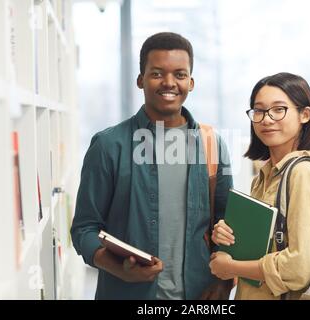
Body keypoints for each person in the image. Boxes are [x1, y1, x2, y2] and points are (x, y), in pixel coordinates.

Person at [71, 32, 234, 300]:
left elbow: (226, 224)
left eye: (180, 75)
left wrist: (224, 283)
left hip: (199, 294)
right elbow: (84, 228)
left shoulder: (211, 145)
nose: (169, 83)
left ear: (191, 82)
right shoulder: (109, 145)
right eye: (157, 73)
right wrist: (117, 268)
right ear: (140, 79)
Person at [209, 72, 310, 299]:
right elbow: (264, 246)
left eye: (279, 109)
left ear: (304, 115)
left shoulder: (302, 173)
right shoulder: (263, 176)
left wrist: (232, 267)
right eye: (259, 110)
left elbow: (301, 266)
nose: (267, 119)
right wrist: (228, 236)